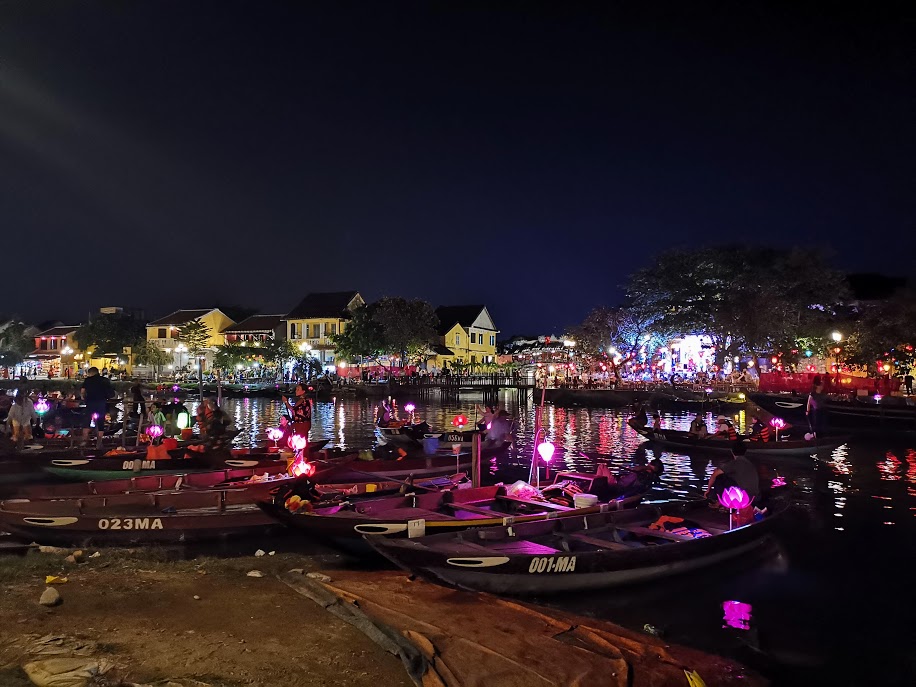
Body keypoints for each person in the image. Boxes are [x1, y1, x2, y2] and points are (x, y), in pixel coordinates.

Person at [80, 366, 114, 445]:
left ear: (90, 373)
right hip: (101, 403)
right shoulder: (105, 380)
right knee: (100, 422)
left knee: (86, 421)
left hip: (90, 402)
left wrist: (83, 398)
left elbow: (82, 391)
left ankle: (84, 441)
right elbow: (111, 393)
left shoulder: (88, 380)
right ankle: (99, 441)